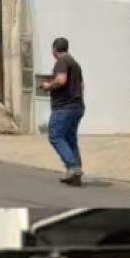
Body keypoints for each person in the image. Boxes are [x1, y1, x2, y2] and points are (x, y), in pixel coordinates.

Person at [39, 36, 85, 186]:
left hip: (64, 108)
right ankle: (76, 170)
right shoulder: (75, 64)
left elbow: (61, 80)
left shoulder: (62, 62)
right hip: (77, 106)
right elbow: (82, 85)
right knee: (70, 138)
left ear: (54, 50)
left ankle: (72, 167)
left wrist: (47, 86)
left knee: (55, 136)